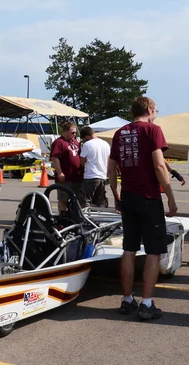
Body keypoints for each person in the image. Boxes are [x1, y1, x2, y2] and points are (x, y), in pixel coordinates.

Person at [107, 96, 177, 320]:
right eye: (156, 109)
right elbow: (158, 164)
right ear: (148, 109)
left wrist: (116, 193)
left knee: (129, 249)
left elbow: (111, 168)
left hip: (128, 197)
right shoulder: (152, 130)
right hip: (148, 197)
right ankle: (147, 304)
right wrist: (171, 196)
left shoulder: (120, 133)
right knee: (154, 251)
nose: (157, 113)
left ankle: (127, 300)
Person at [50, 122, 83, 213]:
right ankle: (62, 217)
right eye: (72, 132)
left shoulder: (75, 142)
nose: (74, 134)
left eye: (75, 132)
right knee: (63, 199)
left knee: (77, 199)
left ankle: (75, 216)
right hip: (65, 177)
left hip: (77, 176)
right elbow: (55, 158)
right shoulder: (58, 143)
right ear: (65, 131)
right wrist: (60, 172)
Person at [79, 126, 110, 208]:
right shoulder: (105, 144)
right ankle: (99, 218)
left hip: (91, 175)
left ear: (86, 136)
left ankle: (85, 218)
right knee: (100, 201)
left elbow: (82, 161)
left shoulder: (87, 144)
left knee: (84, 199)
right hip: (103, 176)